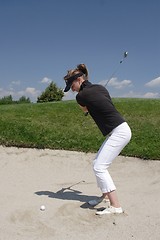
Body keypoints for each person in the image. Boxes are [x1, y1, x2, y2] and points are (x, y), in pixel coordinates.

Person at [63, 63, 132, 215]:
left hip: (118, 132)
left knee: (99, 167)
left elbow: (85, 109)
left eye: (71, 85)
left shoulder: (81, 96)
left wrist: (86, 107)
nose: (71, 89)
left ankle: (115, 206)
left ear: (79, 79)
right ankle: (105, 196)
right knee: (97, 163)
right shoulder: (101, 88)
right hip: (121, 129)